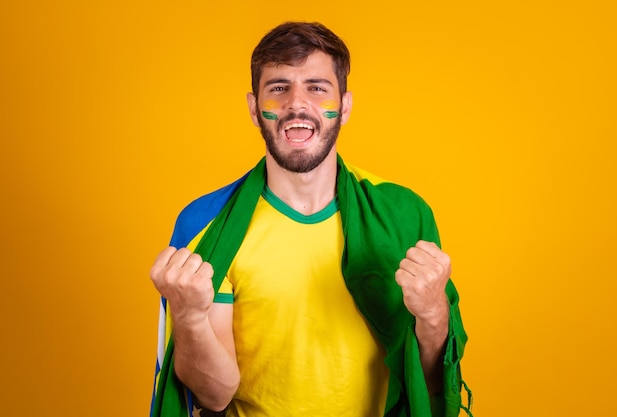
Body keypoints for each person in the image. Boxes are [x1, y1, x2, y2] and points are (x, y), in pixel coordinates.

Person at [149, 21, 471, 417]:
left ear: (346, 106)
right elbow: (214, 396)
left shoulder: (403, 215)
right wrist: (188, 315)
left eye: (317, 88)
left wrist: (434, 311)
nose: (297, 105)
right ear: (254, 108)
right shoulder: (207, 223)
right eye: (279, 88)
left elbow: (430, 382)